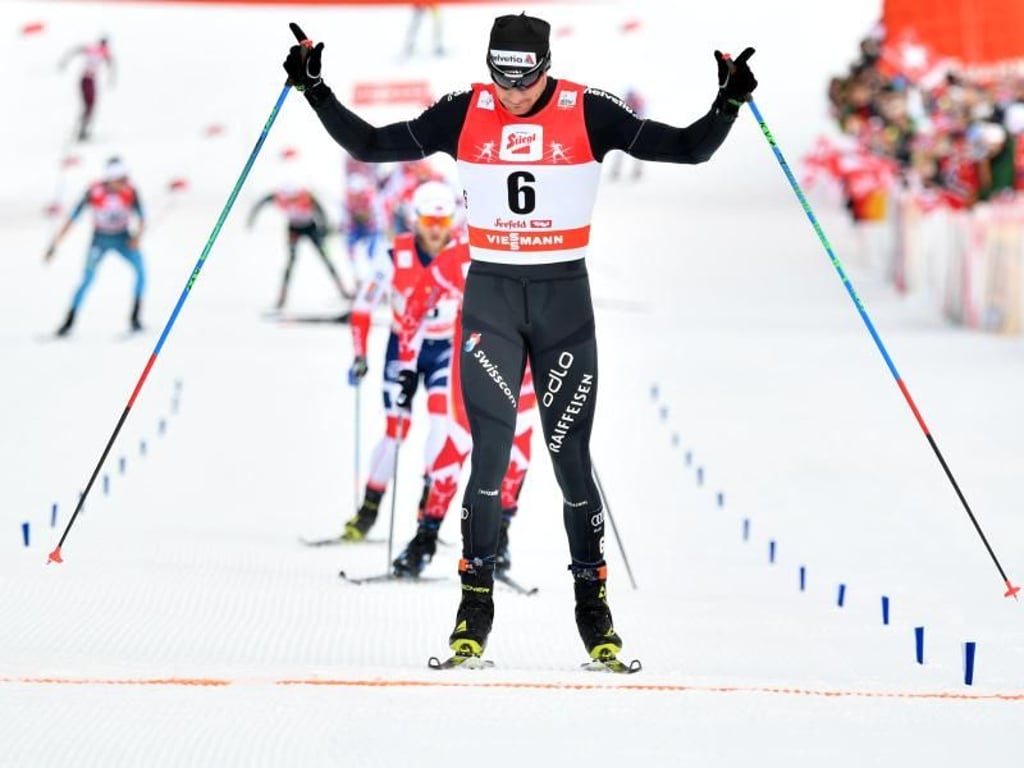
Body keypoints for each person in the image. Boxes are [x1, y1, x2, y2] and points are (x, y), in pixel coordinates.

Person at [283, 14, 757, 664]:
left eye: (523, 82)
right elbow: (370, 143)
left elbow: (686, 148)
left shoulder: (589, 110)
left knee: (570, 461)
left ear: (544, 67)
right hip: (492, 301)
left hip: (564, 303)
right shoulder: (464, 110)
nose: (510, 96)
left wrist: (727, 103)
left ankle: (595, 613)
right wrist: (316, 91)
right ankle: (472, 609)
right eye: (500, 80)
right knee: (489, 453)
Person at [390, 234, 536, 578]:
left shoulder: (531, 252)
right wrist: (408, 367)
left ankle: (499, 539)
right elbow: (414, 308)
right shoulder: (457, 256)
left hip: (521, 370)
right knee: (454, 448)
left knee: (517, 456)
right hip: (471, 365)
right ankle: (425, 538)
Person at [341, 181, 461, 544]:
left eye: (443, 220)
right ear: (415, 219)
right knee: (396, 429)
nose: (436, 229)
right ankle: (367, 513)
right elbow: (362, 308)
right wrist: (360, 354)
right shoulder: (394, 256)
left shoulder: (461, 254)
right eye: (428, 220)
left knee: (443, 427)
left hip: (444, 349)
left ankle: (428, 516)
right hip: (403, 348)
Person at [45, 156, 145, 336]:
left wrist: (137, 237)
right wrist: (55, 244)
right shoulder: (94, 192)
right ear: (110, 179)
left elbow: (142, 218)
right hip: (100, 240)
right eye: (120, 179)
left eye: (125, 178)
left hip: (123, 238)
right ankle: (68, 322)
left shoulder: (130, 191)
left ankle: (135, 318)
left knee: (141, 271)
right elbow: (73, 218)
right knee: (87, 279)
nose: (124, 182)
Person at [247, 184, 353, 309]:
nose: (292, 202)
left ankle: (342, 290)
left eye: (294, 199)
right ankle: (282, 297)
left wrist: (324, 230)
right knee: (290, 262)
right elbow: (261, 202)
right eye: (289, 200)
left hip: (311, 228)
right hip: (294, 229)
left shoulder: (306, 197)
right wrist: (252, 219)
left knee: (326, 259)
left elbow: (321, 212)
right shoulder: (281, 197)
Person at [59, 36, 114, 142]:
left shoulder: (94, 49)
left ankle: (82, 129)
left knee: (88, 106)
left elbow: (75, 50)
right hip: (87, 80)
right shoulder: (100, 50)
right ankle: (82, 130)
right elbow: (110, 63)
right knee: (89, 106)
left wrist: (65, 61)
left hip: (87, 80)